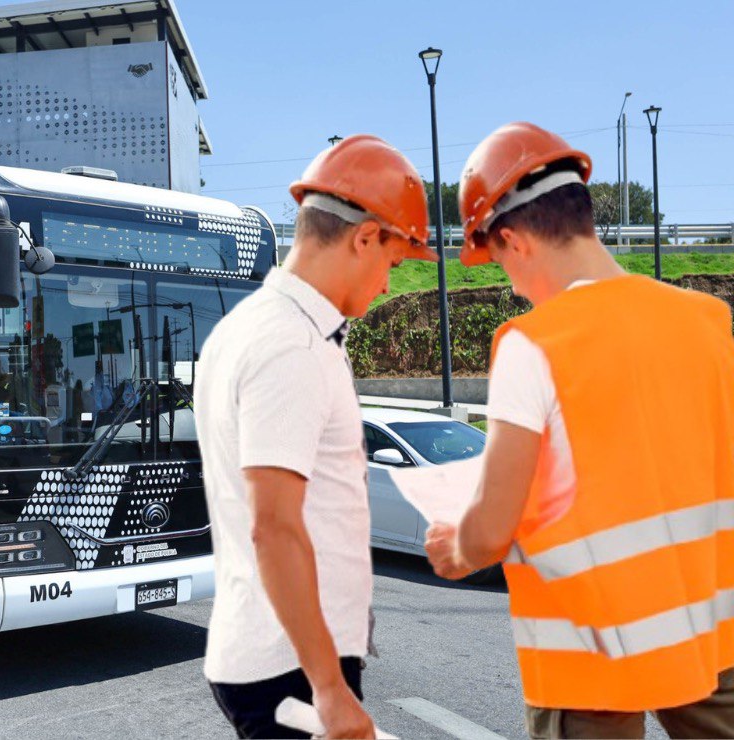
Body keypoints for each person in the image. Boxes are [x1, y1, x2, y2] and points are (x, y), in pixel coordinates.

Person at [425, 121, 734, 739]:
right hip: (712, 639)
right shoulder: (707, 321)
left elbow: (489, 532)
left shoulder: (530, 345)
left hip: (586, 659)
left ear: (514, 240)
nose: (510, 285)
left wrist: (452, 546)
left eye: (498, 260)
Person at [195, 135, 437, 739]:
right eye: (395, 261)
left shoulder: (250, 327)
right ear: (363, 238)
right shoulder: (292, 346)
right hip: (292, 668)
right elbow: (275, 524)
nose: (388, 284)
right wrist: (329, 688)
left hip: (278, 652)